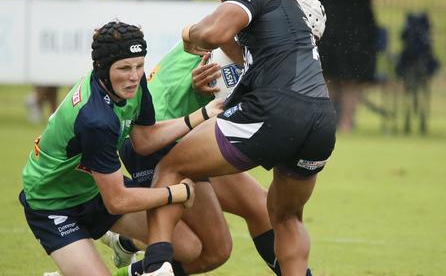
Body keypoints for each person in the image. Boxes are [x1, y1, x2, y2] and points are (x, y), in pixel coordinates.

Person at [136, 0, 336, 276]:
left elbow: (212, 34)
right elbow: (246, 56)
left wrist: (190, 33)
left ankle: (155, 266)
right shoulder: (286, 11)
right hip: (320, 118)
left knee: (172, 166)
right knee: (285, 216)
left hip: (274, 112)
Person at [19, 21, 225, 276]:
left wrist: (203, 114)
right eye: (124, 68)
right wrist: (176, 193)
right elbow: (117, 200)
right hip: (53, 204)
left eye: (139, 66)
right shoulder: (95, 119)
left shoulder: (132, 85)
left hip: (94, 189)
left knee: (189, 248)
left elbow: (144, 140)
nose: (134, 76)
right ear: (101, 68)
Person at [105, 41, 312, 276]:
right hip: (158, 137)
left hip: (190, 136)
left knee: (259, 208)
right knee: (213, 251)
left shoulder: (251, 30)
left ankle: (128, 242)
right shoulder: (239, 25)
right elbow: (207, 38)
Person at [299, 0, 378, 133]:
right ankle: (327, 120)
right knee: (327, 75)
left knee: (351, 78)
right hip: (329, 28)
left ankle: (346, 122)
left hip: (357, 29)